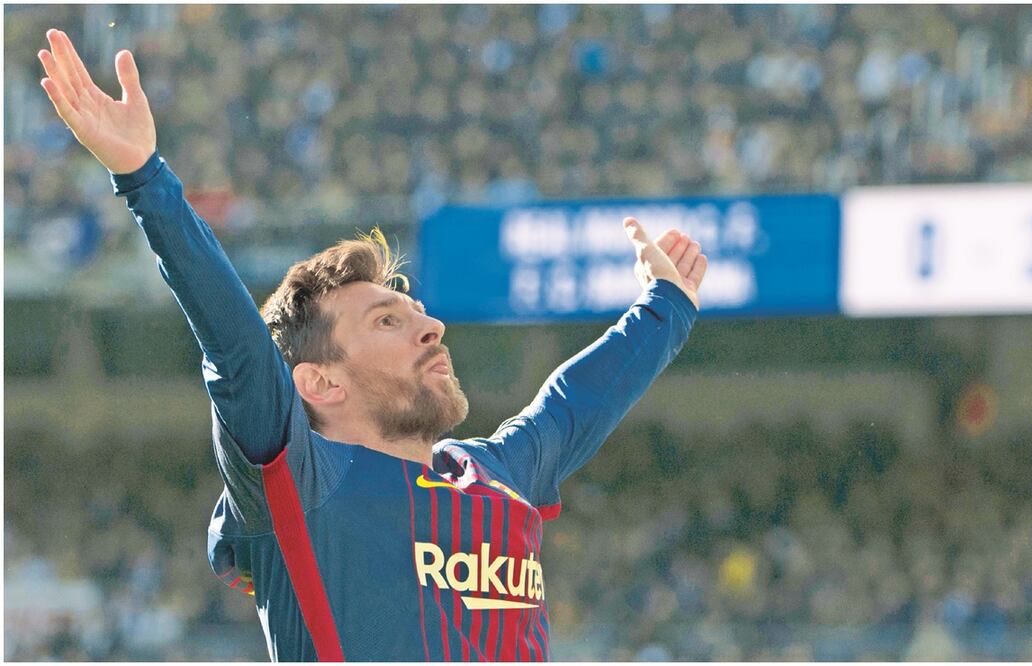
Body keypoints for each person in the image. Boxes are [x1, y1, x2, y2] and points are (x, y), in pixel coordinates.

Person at [38, 28, 709, 661]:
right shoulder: (305, 488)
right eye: (387, 321)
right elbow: (237, 349)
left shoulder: (500, 475)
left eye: (416, 313)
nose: (432, 326)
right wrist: (145, 179)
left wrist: (667, 305)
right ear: (319, 381)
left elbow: (575, 403)